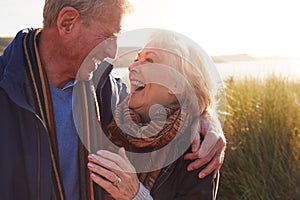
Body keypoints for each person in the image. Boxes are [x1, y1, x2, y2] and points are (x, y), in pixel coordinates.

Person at [0, 1, 225, 200]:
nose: (113, 52)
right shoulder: (5, 88)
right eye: (108, 37)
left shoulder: (110, 93)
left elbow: (176, 99)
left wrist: (205, 116)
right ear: (68, 22)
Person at [88, 30, 224, 199]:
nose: (131, 67)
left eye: (149, 60)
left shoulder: (196, 149)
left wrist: (136, 195)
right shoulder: (114, 113)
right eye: (136, 59)